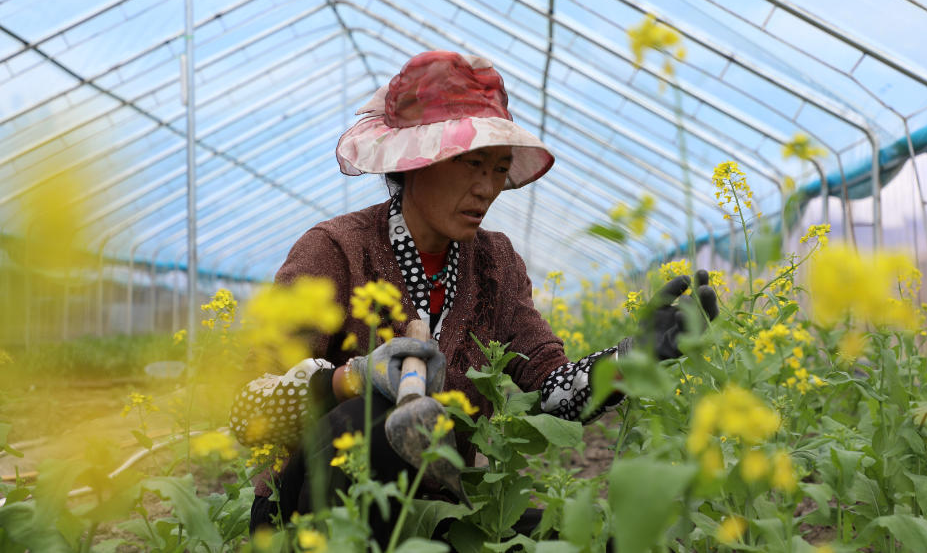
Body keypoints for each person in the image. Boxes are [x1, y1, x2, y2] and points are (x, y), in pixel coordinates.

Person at [229, 51, 717, 542]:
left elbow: (548, 388)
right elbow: (245, 407)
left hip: (438, 516)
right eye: (471, 164)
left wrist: (632, 358)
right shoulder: (337, 250)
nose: (486, 188)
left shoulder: (495, 263)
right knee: (373, 419)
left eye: (499, 169)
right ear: (416, 160)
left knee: (591, 539)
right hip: (316, 515)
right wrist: (353, 378)